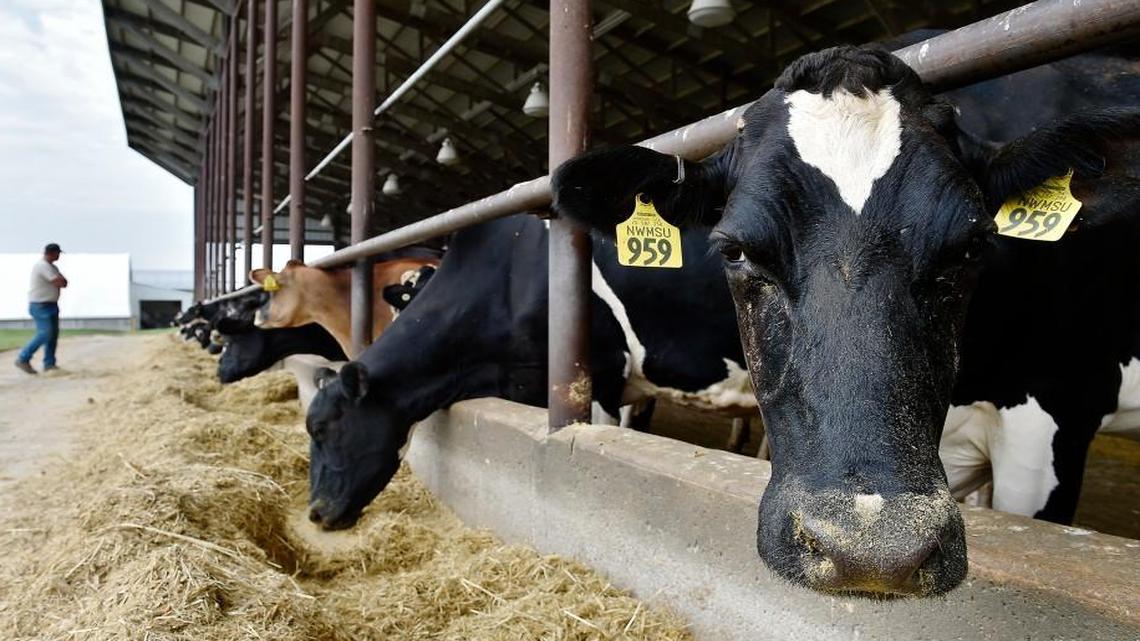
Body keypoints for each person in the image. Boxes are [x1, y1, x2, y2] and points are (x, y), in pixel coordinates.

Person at [15, 243, 68, 374]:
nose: (59, 256)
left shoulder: (52, 267)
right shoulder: (42, 266)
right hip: (40, 305)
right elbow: (58, 282)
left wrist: (61, 281)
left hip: (51, 304)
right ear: (51, 253)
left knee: (52, 335)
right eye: (58, 253)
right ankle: (23, 357)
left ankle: (49, 364)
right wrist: (60, 281)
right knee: (45, 333)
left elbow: (65, 282)